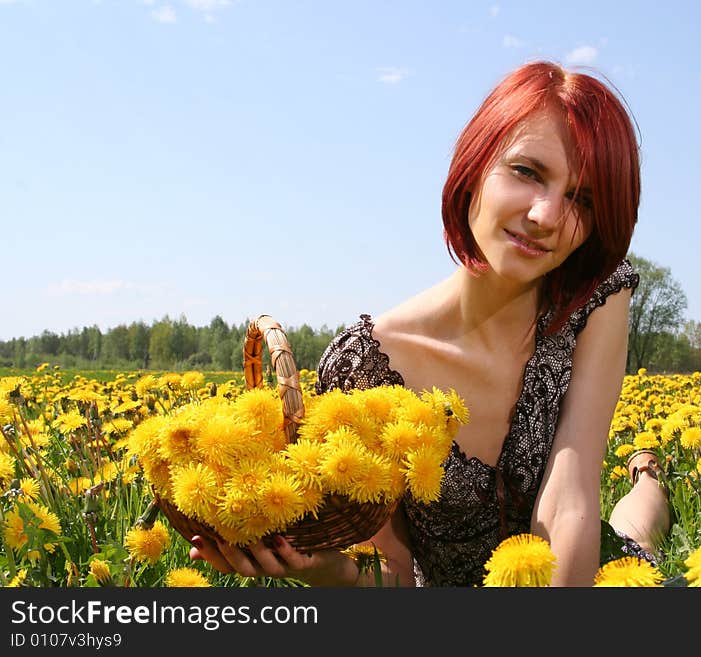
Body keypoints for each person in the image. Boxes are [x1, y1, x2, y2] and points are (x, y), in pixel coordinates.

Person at [190, 59, 671, 586]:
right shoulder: (365, 365)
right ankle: (646, 479)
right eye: (528, 172)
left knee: (635, 536)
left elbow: (570, 496)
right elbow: (395, 573)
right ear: (476, 163)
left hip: (572, 568)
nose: (547, 217)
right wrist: (330, 573)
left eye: (582, 199)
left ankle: (648, 478)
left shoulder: (594, 296)